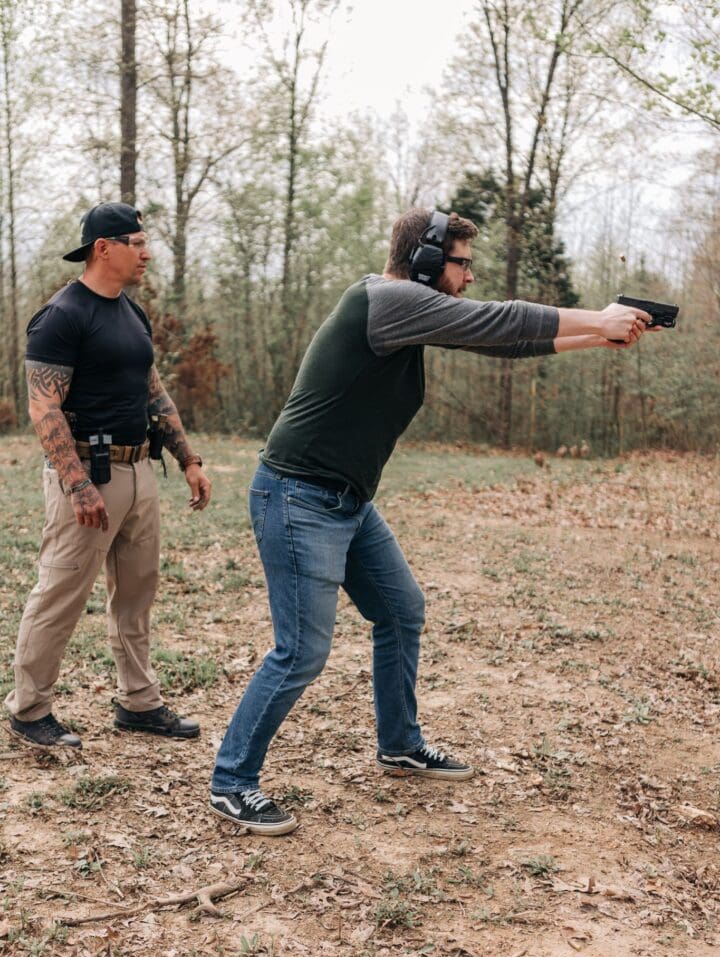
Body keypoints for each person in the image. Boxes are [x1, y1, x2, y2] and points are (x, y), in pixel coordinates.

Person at [209, 207, 652, 836]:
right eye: (462, 263)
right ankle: (231, 782)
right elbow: (502, 318)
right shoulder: (385, 300)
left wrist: (597, 334)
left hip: (346, 501)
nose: (470, 277)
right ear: (423, 260)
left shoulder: (406, 314)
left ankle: (400, 744)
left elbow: (504, 340)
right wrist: (596, 317)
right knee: (301, 650)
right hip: (297, 497)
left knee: (400, 609)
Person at [5, 201, 212, 749]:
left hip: (141, 469)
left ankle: (138, 703)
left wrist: (187, 458)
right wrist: (75, 483)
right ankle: (28, 710)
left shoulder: (132, 312)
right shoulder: (63, 315)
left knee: (137, 594)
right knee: (61, 592)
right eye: (137, 243)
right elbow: (43, 408)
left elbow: (152, 388)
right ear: (105, 248)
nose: (147, 253)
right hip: (89, 475)